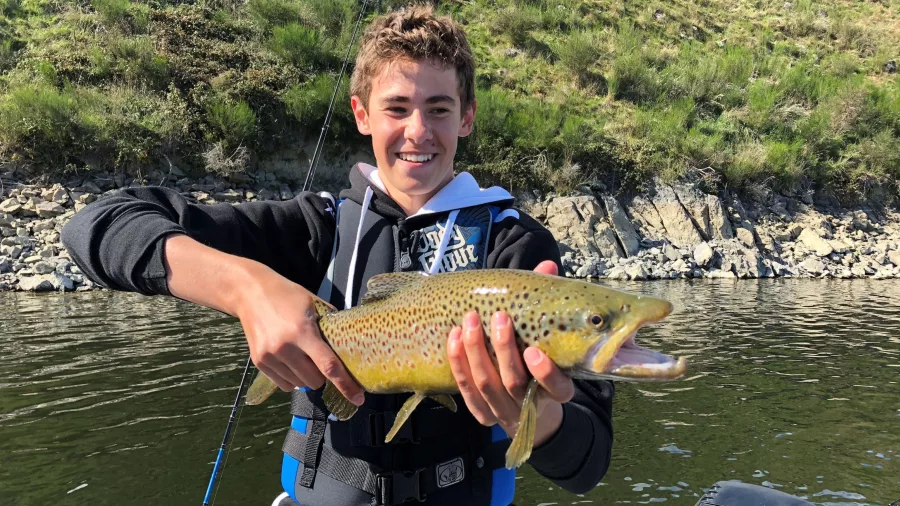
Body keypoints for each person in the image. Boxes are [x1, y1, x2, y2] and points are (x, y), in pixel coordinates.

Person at [62, 5, 614, 506]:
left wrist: (537, 416)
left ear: (467, 117)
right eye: (396, 107)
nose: (417, 131)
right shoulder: (316, 228)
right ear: (361, 114)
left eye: (439, 109)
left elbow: (586, 464)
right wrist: (247, 290)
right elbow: (98, 224)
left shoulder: (518, 251)